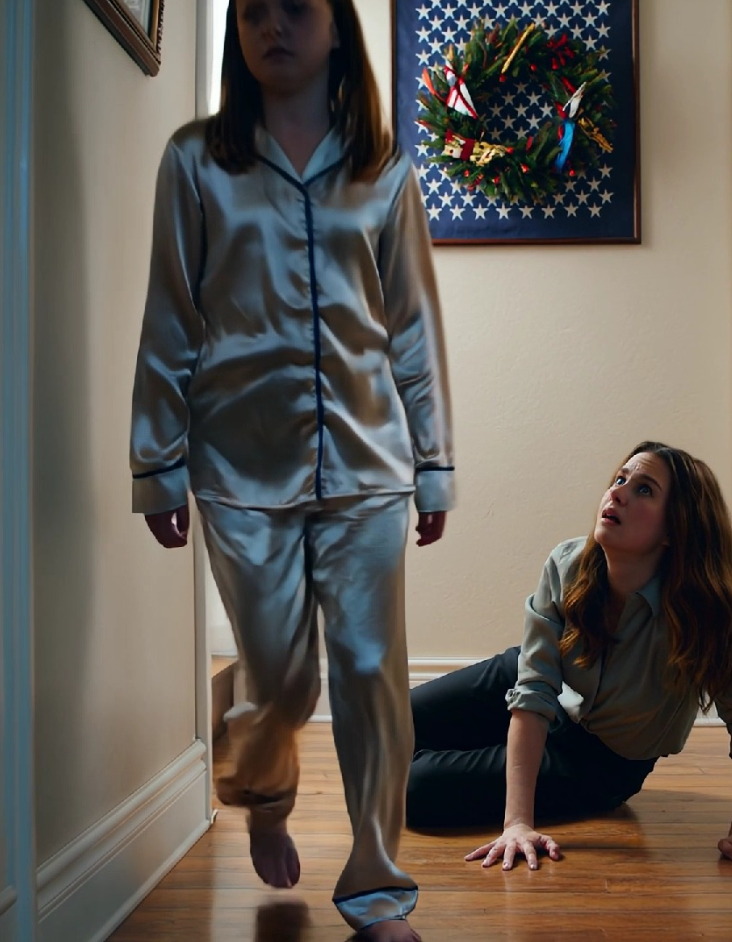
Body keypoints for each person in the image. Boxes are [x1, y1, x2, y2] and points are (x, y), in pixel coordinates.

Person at [129, 2, 453, 939]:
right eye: (254, 9)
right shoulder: (196, 161)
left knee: (371, 675)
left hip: (368, 463)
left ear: (337, 28)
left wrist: (433, 462)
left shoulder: (383, 169)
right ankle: (264, 791)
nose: (273, 24)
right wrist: (157, 464)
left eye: (296, 7)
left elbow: (413, 327)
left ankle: (378, 888)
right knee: (280, 681)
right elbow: (170, 316)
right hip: (239, 467)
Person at [407, 442, 732, 877]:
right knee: (395, 720)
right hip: (543, 686)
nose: (617, 493)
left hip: (599, 761)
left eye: (644, 489)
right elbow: (534, 689)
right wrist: (517, 822)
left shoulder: (702, 608)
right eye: (620, 479)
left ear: (675, 528)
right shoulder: (567, 564)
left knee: (415, 789)